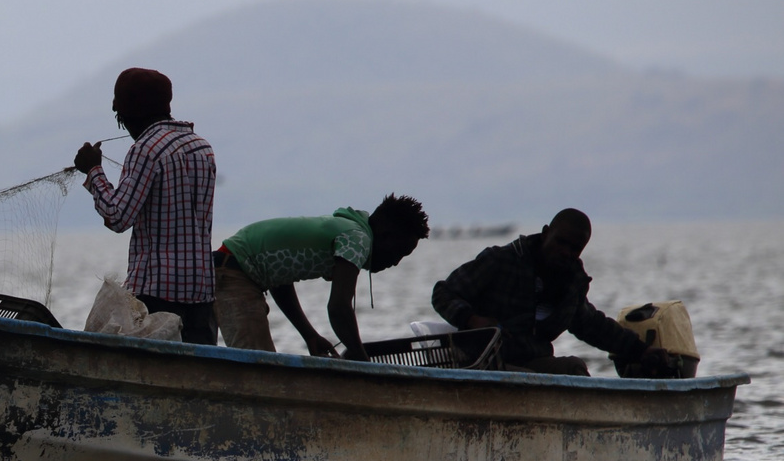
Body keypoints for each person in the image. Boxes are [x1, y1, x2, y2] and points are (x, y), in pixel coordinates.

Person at [74, 69, 217, 344]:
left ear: (126, 113)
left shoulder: (146, 149)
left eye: (120, 115)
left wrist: (93, 171)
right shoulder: (202, 146)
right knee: (194, 377)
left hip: (157, 297)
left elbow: (117, 216)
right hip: (203, 296)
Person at [431, 208, 667, 375]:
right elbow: (444, 293)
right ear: (546, 233)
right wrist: (472, 319)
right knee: (523, 380)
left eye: (575, 248)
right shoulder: (501, 260)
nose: (565, 252)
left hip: (533, 365)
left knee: (574, 368)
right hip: (483, 364)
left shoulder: (570, 285)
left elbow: (592, 325)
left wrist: (641, 351)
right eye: (560, 242)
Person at [213, 195, 430, 359]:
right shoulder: (357, 239)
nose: (396, 262)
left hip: (234, 268)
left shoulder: (350, 230)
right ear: (385, 235)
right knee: (259, 371)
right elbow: (338, 307)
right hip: (232, 272)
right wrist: (363, 360)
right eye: (400, 252)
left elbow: (279, 278)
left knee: (263, 367)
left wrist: (310, 335)